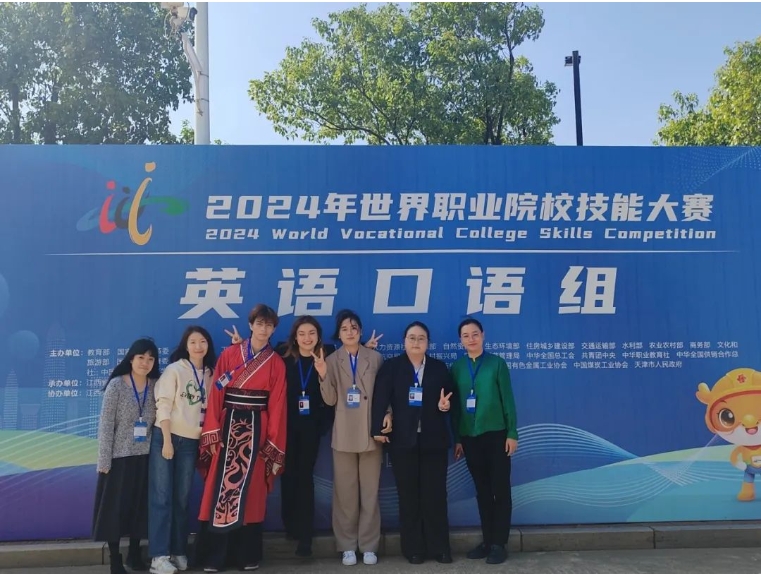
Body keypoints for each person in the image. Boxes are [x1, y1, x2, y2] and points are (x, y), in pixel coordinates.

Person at [194, 304, 287, 573]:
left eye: (269, 325)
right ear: (250, 325)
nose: (263, 329)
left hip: (258, 429)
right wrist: (213, 432)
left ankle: (246, 555)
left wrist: (272, 443)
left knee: (252, 492)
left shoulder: (276, 363)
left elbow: (278, 405)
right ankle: (215, 557)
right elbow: (216, 395)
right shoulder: (230, 354)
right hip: (227, 427)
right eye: (259, 323)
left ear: (274, 329)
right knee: (219, 489)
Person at [371, 321, 455, 565]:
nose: (416, 342)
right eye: (412, 337)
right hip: (402, 442)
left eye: (421, 338)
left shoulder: (439, 368)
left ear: (428, 343)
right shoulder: (392, 367)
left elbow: (451, 399)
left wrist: (445, 406)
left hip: (433, 441)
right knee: (408, 497)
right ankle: (413, 549)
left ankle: (440, 548)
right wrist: (378, 427)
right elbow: (380, 399)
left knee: (435, 495)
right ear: (404, 341)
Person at [314, 309, 386, 567]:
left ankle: (368, 545)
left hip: (370, 432)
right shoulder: (332, 360)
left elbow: (384, 394)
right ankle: (346, 546)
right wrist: (323, 373)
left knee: (370, 493)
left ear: (361, 331)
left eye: (354, 327)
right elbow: (330, 399)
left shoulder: (375, 357)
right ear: (339, 334)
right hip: (344, 433)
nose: (350, 332)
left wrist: (387, 416)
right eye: (344, 329)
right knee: (345, 494)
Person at [148, 326, 216, 574]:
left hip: (191, 442)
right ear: (185, 346)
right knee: (162, 498)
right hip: (167, 438)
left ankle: (178, 551)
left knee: (182, 499)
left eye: (202, 341)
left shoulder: (211, 373)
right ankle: (158, 557)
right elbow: (163, 404)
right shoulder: (175, 370)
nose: (198, 346)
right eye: (193, 342)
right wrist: (166, 440)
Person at [450, 317, 518, 565]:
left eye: (475, 334)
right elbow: (456, 408)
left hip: (496, 434)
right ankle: (488, 540)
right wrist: (458, 438)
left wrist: (512, 433)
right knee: (482, 491)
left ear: (483, 335)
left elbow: (508, 400)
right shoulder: (457, 368)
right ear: (460, 340)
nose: (471, 339)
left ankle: (499, 543)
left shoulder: (497, 364)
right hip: (470, 437)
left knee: (500, 490)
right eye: (466, 335)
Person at [93, 338, 161, 574]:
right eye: (141, 357)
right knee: (114, 510)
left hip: (146, 457)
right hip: (119, 458)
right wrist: (104, 460)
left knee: (139, 508)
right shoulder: (116, 386)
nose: (145, 363)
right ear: (131, 359)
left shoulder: (156, 385)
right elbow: (106, 425)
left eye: (150, 359)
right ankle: (115, 559)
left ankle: (134, 553)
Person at [277, 316, 336, 558]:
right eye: (302, 333)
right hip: (286, 427)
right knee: (287, 476)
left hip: (312, 427)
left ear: (318, 336)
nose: (307, 338)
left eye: (312, 333)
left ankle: (305, 537)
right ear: (295, 337)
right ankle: (291, 526)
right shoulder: (282, 354)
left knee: (304, 478)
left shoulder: (327, 354)